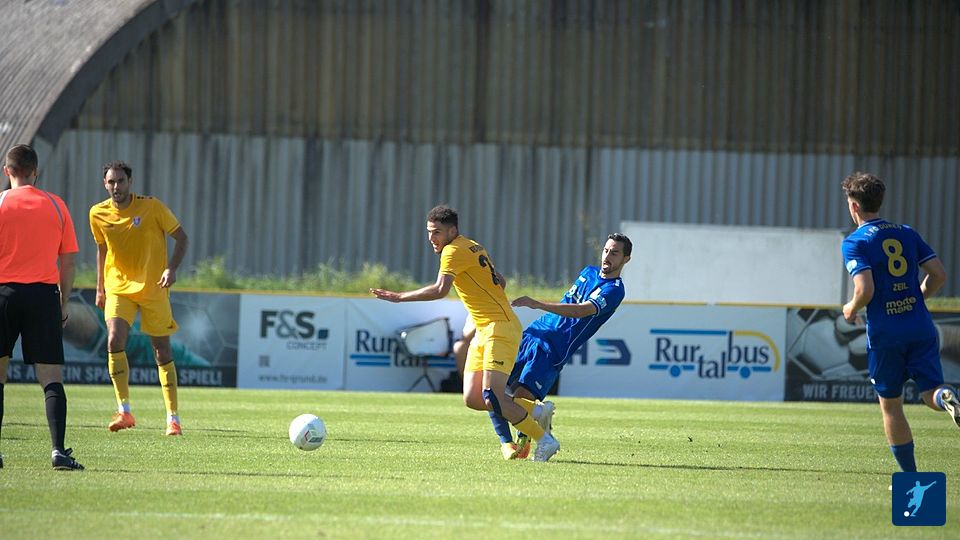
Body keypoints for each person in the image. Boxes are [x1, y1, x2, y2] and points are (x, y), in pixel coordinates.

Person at [371, 205, 560, 461]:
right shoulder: (473, 246)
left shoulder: (452, 251)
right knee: (473, 398)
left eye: (437, 232)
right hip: (485, 328)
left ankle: (545, 440)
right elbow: (501, 281)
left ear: (452, 231)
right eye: (429, 232)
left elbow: (440, 289)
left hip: (499, 327)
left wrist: (399, 297)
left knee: (493, 396)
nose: (431, 238)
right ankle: (536, 412)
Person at [840, 172, 959, 475]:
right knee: (931, 392)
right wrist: (918, 296)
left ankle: (910, 478)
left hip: (886, 334)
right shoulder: (906, 232)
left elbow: (865, 289)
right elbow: (939, 274)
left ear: (854, 206)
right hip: (920, 326)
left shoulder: (855, 242)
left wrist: (851, 307)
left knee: (891, 406)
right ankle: (946, 398)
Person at [492, 233, 632, 459]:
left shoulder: (615, 289)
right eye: (606, 250)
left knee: (520, 396)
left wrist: (537, 303)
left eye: (615, 253)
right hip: (534, 334)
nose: (607, 256)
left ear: (626, 259)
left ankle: (527, 440)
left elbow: (581, 311)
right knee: (491, 388)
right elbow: (569, 302)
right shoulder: (588, 272)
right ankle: (532, 424)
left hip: (554, 348)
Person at [89, 161, 189, 436]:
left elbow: (182, 238)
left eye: (121, 181)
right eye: (111, 182)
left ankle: (173, 418)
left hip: (153, 287)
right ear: (105, 184)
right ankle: (124, 411)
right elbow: (101, 249)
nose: (116, 186)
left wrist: (171, 269)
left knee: (162, 351)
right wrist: (100, 288)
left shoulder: (152, 207)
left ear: (130, 182)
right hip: (118, 287)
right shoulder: (97, 213)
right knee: (113, 340)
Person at [0, 144, 84, 470]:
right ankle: (58, 451)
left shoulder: (1, 203)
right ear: (35, 172)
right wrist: (62, 304)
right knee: (50, 377)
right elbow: (69, 261)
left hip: (3, 294)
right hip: (43, 295)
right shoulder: (56, 205)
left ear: (8, 171)